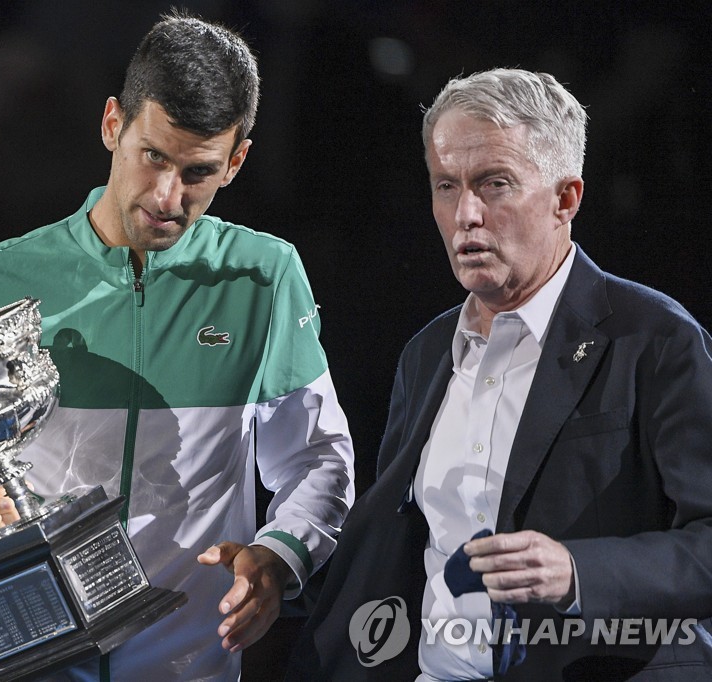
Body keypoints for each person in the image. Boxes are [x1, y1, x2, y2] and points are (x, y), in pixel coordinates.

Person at [0, 10, 355, 682]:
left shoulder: (265, 277)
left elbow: (316, 459)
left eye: (198, 171)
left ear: (237, 161)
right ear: (112, 125)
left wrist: (280, 556)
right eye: (152, 156)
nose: (167, 196)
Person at [288, 68, 712, 681]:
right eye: (445, 185)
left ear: (567, 198)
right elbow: (396, 548)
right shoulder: (426, 354)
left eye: (495, 184)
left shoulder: (656, 341)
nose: (465, 214)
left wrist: (577, 572)